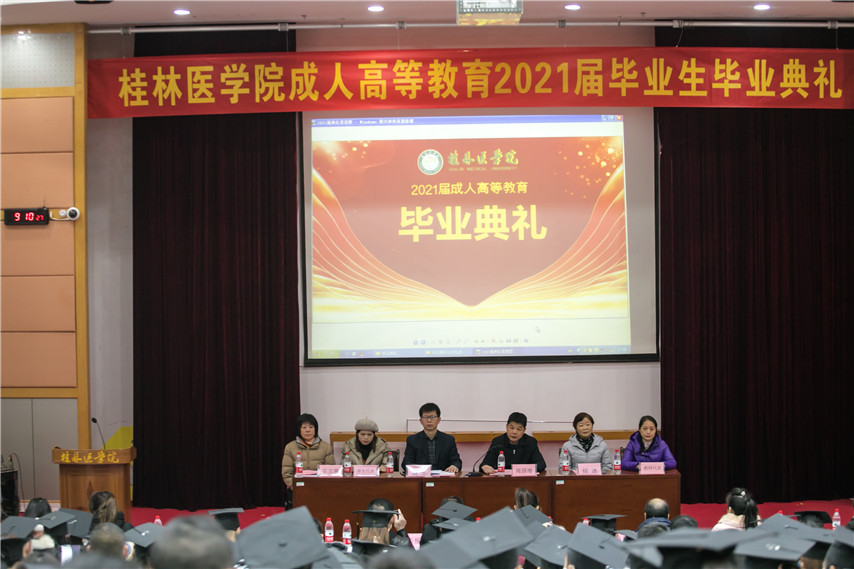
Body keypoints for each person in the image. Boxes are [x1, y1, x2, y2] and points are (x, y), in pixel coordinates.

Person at [280, 413, 336, 490]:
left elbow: (330, 471)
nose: (308, 430)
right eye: (304, 427)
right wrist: (295, 486)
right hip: (298, 487)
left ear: (315, 429)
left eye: (311, 427)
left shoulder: (325, 447)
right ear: (299, 429)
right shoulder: (290, 447)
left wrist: (322, 486)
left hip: (320, 487)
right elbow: (287, 473)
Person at [401, 403, 461, 473]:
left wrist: (454, 466)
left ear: (439, 419)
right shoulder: (412, 440)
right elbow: (406, 462)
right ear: (420, 421)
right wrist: (417, 470)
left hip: (443, 477)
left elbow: (456, 461)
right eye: (425, 417)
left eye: (432, 417)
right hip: (421, 476)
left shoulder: (448, 440)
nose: (429, 420)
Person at [480, 412, 547, 474]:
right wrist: (485, 466)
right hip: (502, 479)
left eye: (519, 429)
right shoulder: (497, 442)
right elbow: (485, 464)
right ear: (506, 427)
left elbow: (541, 464)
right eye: (511, 428)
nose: (514, 432)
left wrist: (522, 469)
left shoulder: (530, 442)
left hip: (523, 479)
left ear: (524, 430)